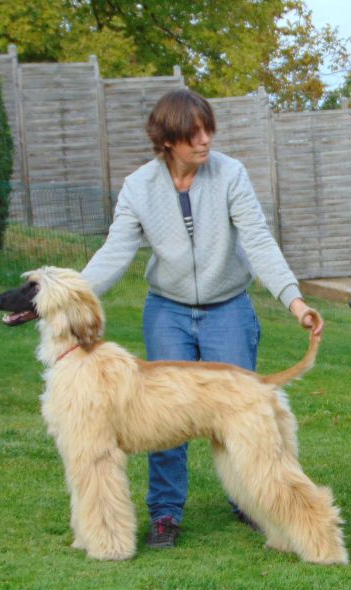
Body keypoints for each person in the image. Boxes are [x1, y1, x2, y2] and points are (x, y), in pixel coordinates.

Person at [80, 89, 324, 549]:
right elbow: (115, 251)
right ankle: (166, 513)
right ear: (168, 140)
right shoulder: (139, 187)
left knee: (241, 419)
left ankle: (252, 501)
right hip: (167, 311)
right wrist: (72, 296)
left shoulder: (231, 174)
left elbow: (258, 241)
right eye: (193, 134)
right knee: (160, 419)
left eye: (208, 130)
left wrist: (294, 300)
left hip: (228, 307)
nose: (206, 141)